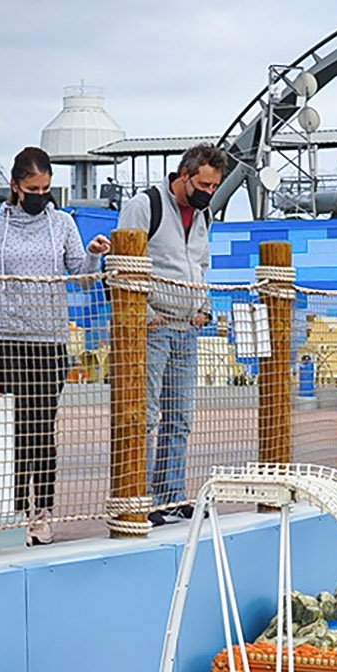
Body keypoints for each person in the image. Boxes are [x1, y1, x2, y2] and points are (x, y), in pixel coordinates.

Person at [0, 147, 109, 545]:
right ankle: (15, 510)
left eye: (47, 188)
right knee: (10, 430)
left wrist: (93, 255)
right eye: (33, 188)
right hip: (4, 340)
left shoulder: (63, 222)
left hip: (49, 341)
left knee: (41, 430)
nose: (40, 194)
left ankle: (43, 511)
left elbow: (82, 278)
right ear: (15, 186)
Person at [115, 143, 226, 526]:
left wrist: (205, 307)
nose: (209, 192)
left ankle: (170, 497)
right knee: (144, 416)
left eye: (215, 187)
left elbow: (201, 263)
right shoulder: (145, 205)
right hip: (154, 327)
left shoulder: (203, 215)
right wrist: (144, 313)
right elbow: (120, 262)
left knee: (179, 418)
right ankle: (139, 498)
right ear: (183, 176)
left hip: (186, 327)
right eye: (204, 184)